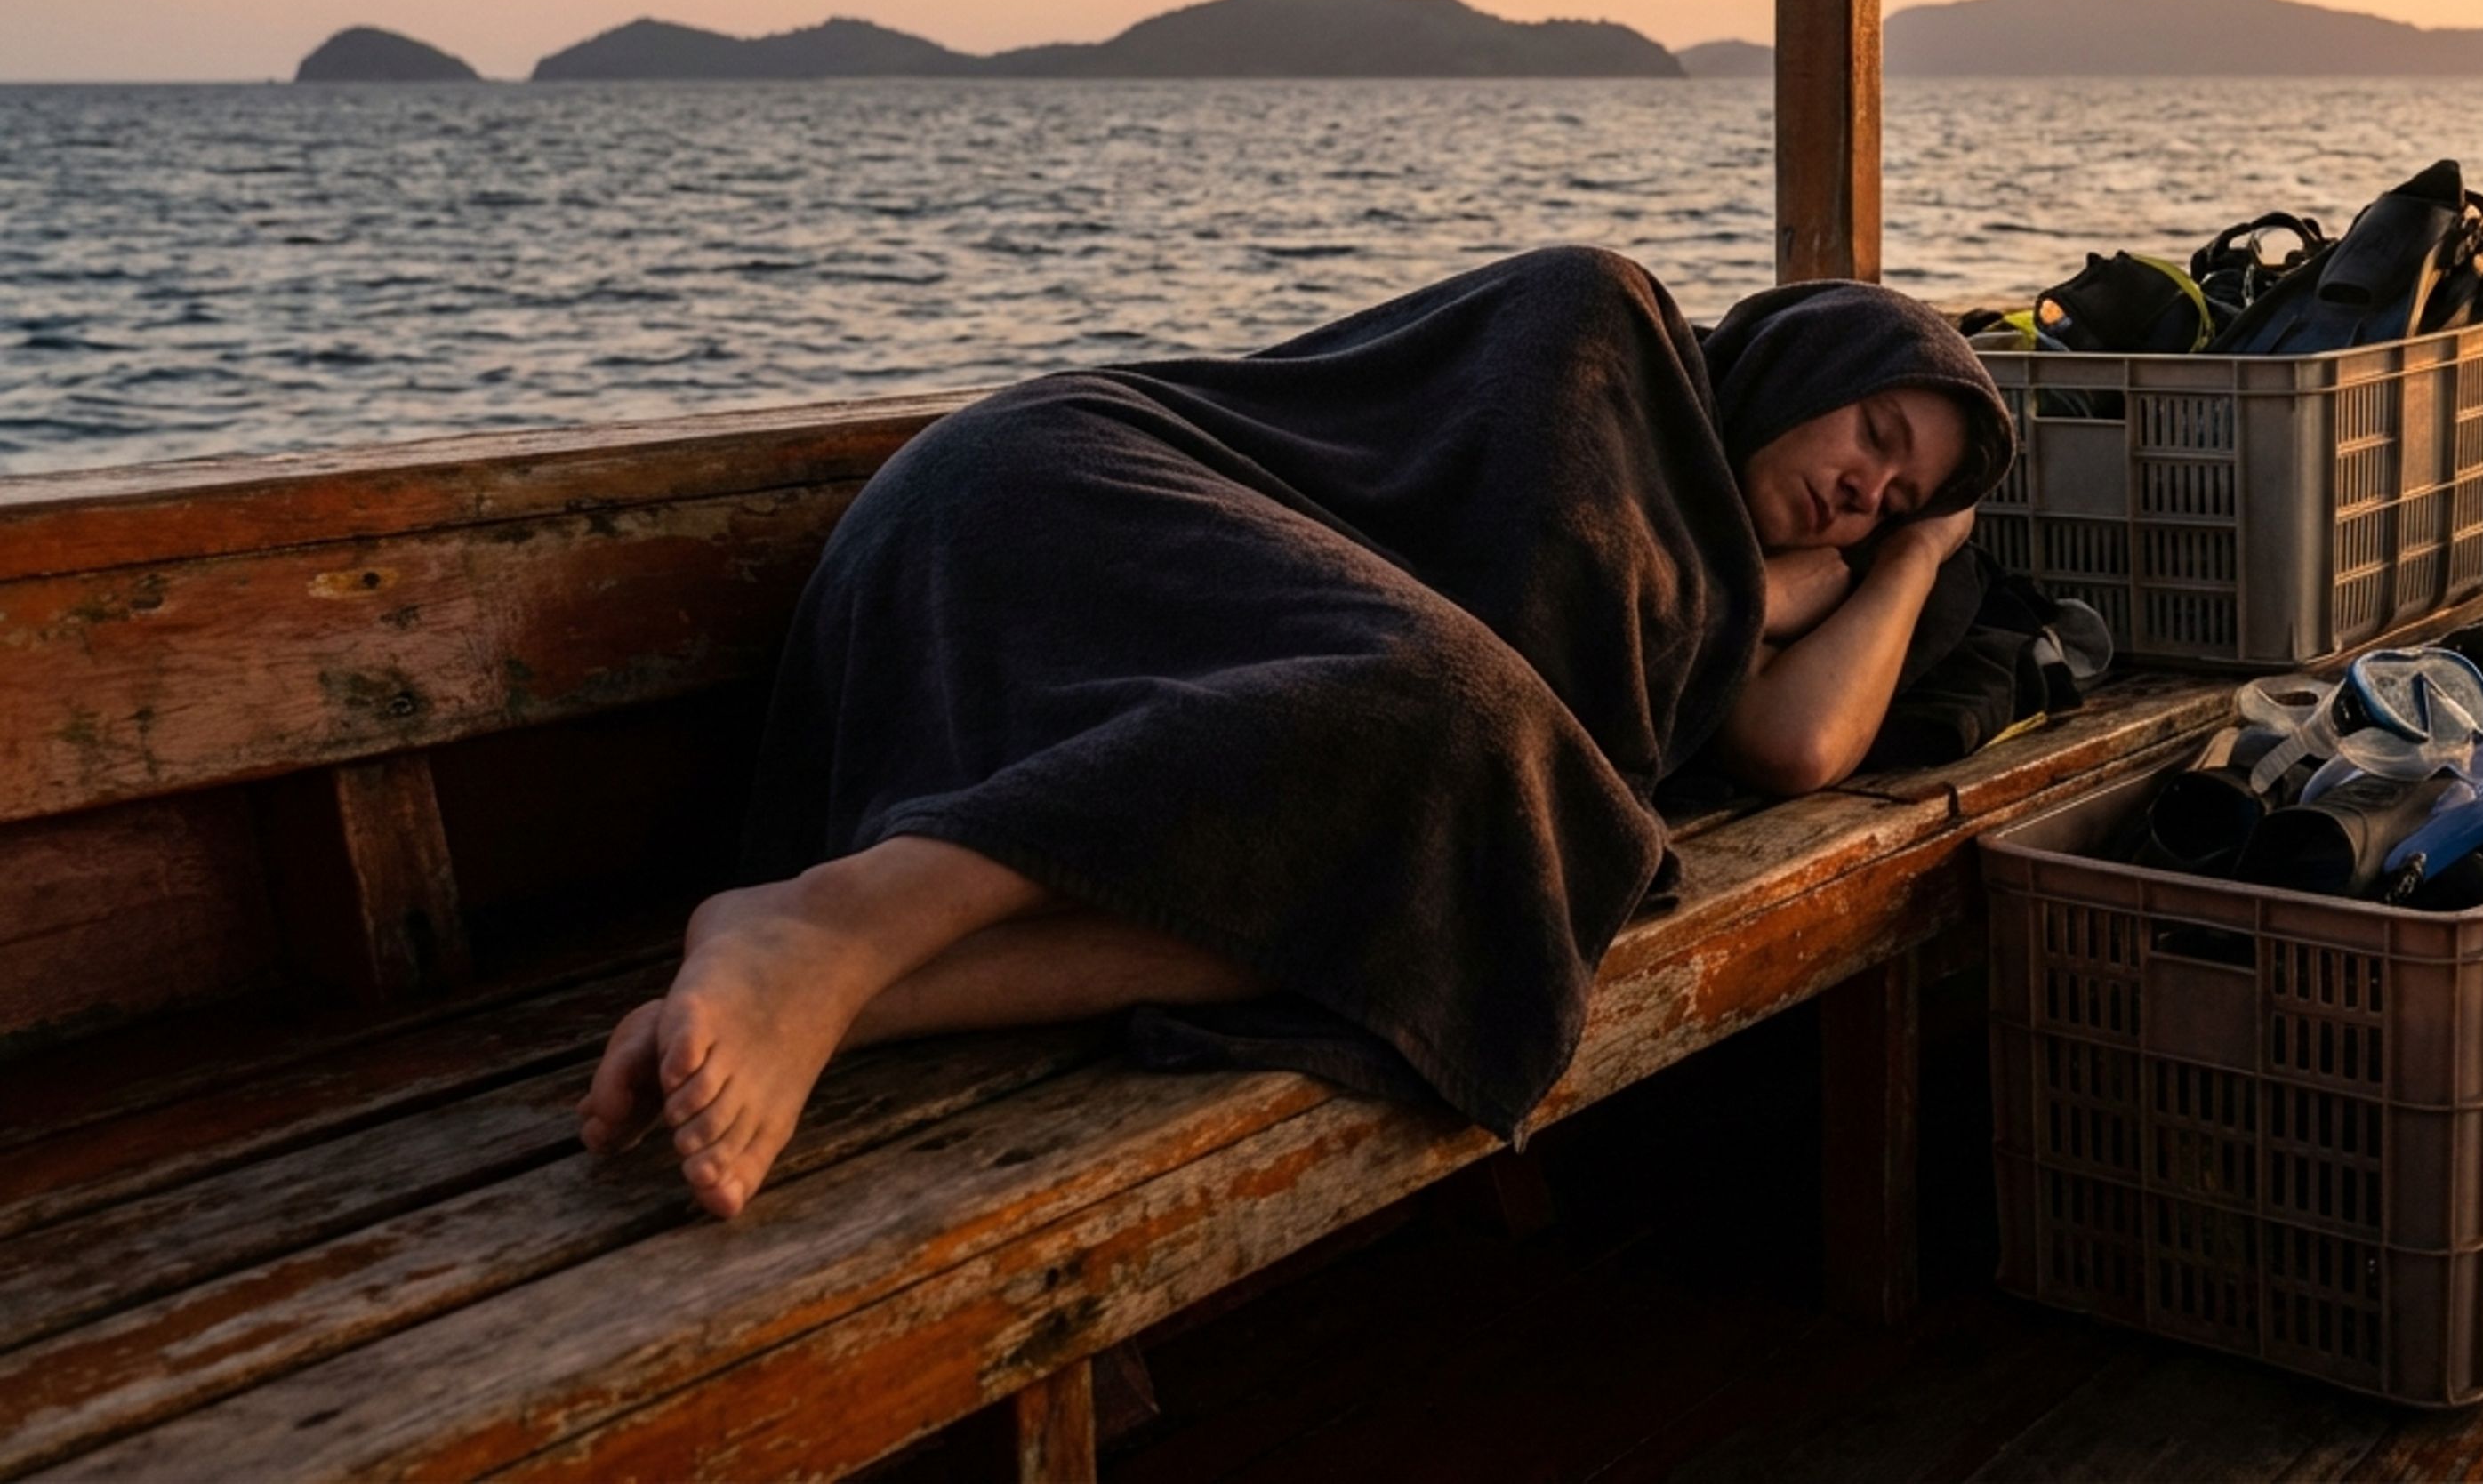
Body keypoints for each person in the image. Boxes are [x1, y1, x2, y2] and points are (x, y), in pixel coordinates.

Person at [575, 245, 2013, 1218]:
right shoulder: (1604, 323)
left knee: (1470, 865)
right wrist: (1767, 589)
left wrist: (1903, 567)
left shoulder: (1736, 582)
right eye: (1873, 436)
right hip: (1053, 494)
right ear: (1801, 363)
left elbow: (1797, 749)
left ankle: (841, 991)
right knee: (1454, 717)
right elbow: (1521, 608)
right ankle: (830, 919)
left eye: (1899, 497)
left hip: (1197, 645)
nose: (1864, 491)